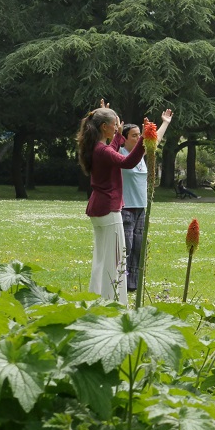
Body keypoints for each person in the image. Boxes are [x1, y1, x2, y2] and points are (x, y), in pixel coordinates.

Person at [77, 105, 148, 305]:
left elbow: (112, 151)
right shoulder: (103, 151)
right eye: (115, 125)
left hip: (98, 208)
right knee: (117, 259)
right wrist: (143, 139)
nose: (118, 128)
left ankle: (97, 298)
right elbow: (127, 162)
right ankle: (114, 302)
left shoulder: (95, 148)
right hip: (109, 209)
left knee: (101, 257)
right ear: (104, 127)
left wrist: (116, 135)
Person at [120, 110, 173, 292]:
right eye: (135, 135)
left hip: (141, 209)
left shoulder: (140, 155)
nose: (139, 138)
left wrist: (164, 122)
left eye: (140, 135)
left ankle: (132, 284)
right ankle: (120, 282)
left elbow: (154, 141)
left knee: (138, 248)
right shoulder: (119, 154)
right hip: (125, 208)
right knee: (125, 247)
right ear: (123, 138)